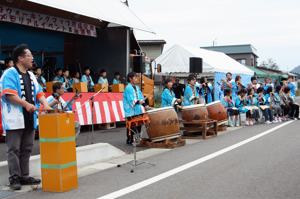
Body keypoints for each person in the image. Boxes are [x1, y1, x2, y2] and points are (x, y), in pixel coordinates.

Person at [0, 44, 52, 190]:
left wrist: (45, 104)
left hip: (30, 118)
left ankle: (24, 176)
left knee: (27, 148)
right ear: (20, 58)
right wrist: (26, 104)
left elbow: (39, 92)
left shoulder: (31, 75)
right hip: (15, 118)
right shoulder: (9, 73)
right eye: (29, 55)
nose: (32, 58)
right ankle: (14, 178)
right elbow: (9, 95)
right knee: (14, 149)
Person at [123, 72, 146, 145]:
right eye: (135, 77)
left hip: (137, 108)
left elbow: (141, 96)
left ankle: (137, 138)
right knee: (131, 124)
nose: (136, 79)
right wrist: (139, 101)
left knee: (139, 123)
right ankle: (129, 139)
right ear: (130, 79)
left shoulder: (137, 87)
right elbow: (131, 100)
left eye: (136, 77)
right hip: (130, 109)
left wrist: (144, 102)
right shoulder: (128, 88)